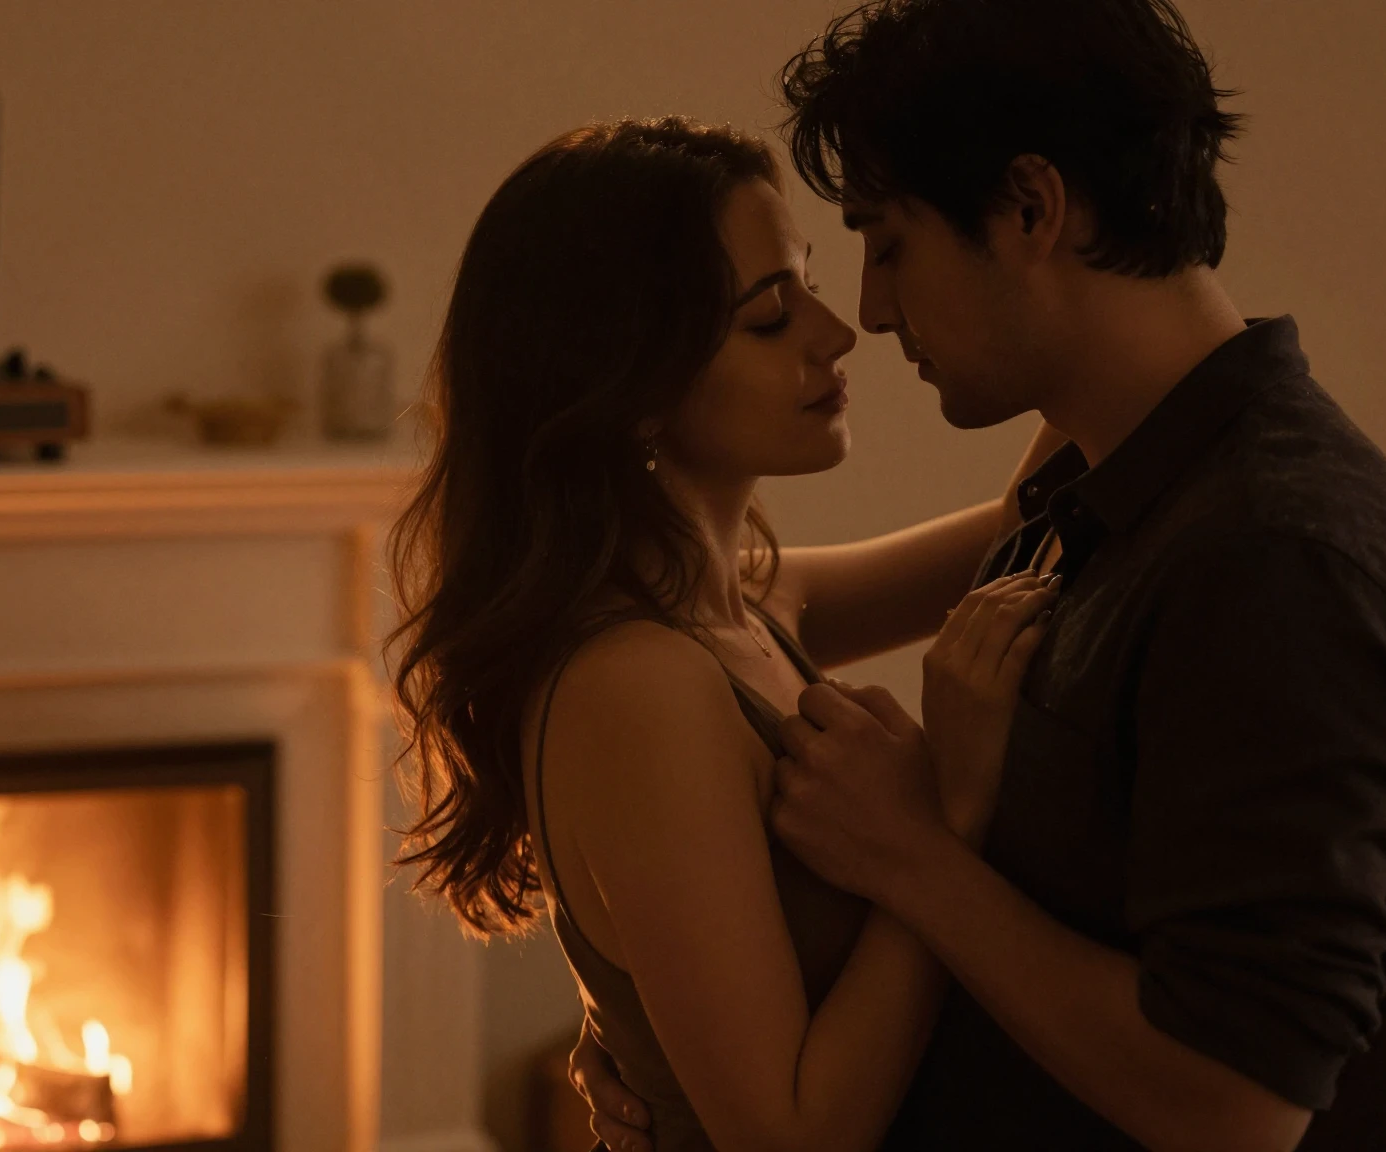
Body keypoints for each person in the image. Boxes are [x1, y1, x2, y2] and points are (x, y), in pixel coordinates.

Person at [570, 2, 1386, 1151]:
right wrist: (660, 1037)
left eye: (887, 245)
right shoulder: (1093, 489)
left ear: (1031, 208)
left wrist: (918, 857)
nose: (868, 313)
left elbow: (1234, 1112)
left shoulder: (1273, 561)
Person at [385, 116, 1064, 1151]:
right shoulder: (638, 685)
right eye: (769, 317)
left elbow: (1031, 516)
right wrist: (945, 821)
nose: (836, 333)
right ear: (630, 386)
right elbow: (788, 1138)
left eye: (809, 285)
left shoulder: (746, 607)